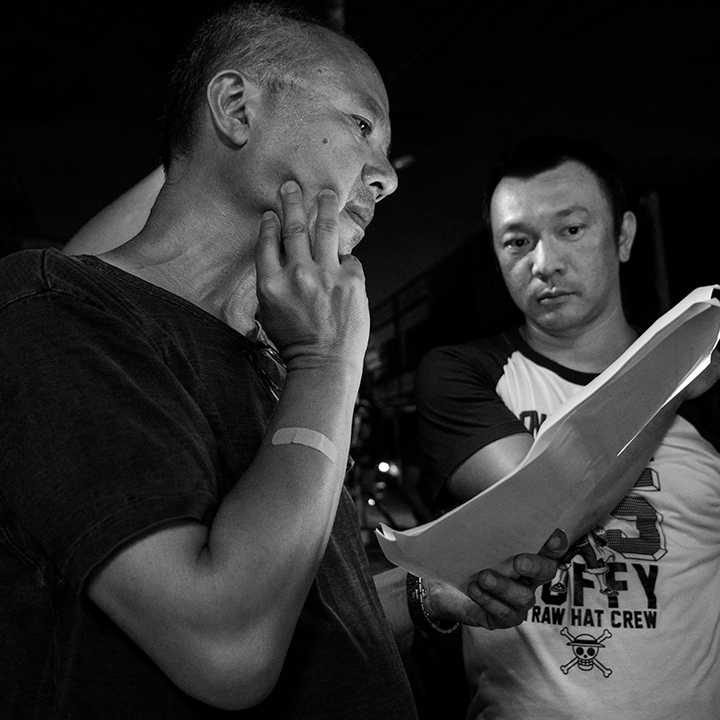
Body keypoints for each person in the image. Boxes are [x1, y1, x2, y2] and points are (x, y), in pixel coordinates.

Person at [0, 4, 560, 718]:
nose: (388, 177)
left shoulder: (268, 363)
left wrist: (427, 596)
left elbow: (297, 612)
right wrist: (329, 363)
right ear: (236, 108)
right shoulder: (47, 313)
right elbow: (226, 646)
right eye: (363, 126)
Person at [415, 134, 720, 719]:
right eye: (517, 241)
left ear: (624, 236)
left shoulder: (711, 397)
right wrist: (671, 376)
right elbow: (540, 520)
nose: (545, 263)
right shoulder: (464, 374)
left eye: (571, 230)